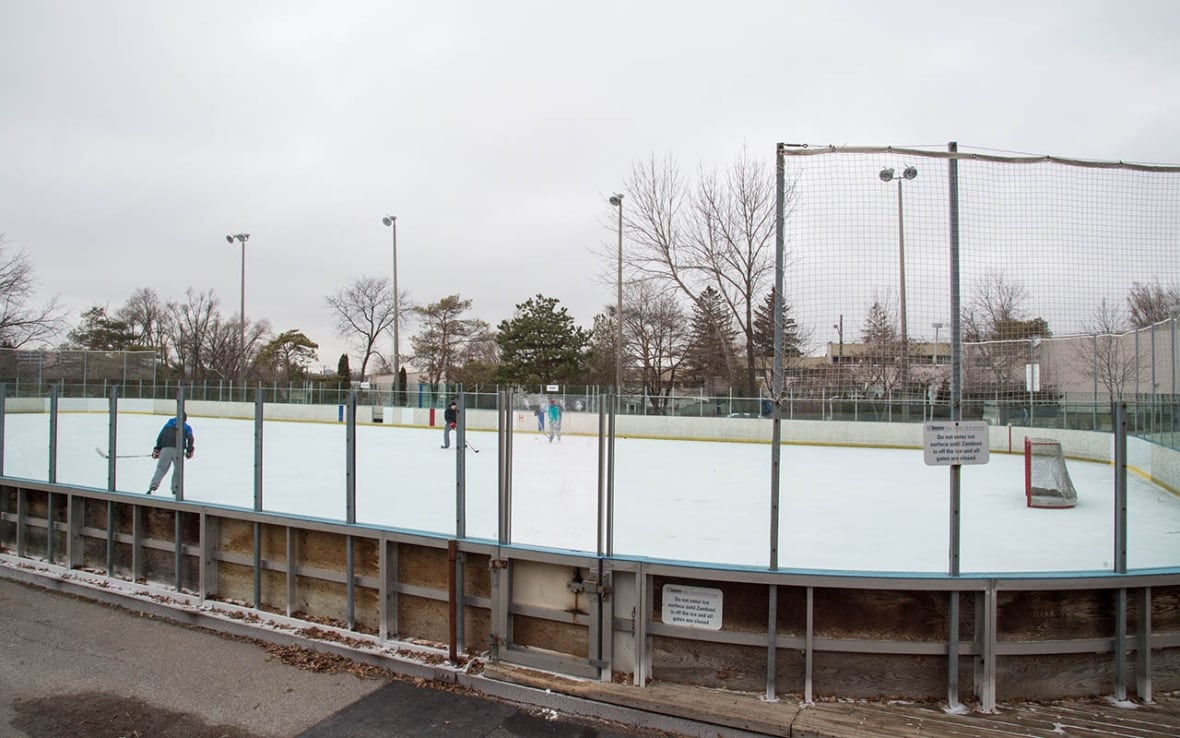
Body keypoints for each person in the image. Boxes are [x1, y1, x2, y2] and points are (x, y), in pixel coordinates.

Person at [148, 413, 194, 495]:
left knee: (161, 468)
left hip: (165, 448)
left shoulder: (168, 424)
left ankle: (153, 487)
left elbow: (161, 436)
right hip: (178, 450)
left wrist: (157, 449)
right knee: (178, 470)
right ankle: (175, 489)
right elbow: (190, 438)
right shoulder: (187, 427)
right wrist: (189, 450)